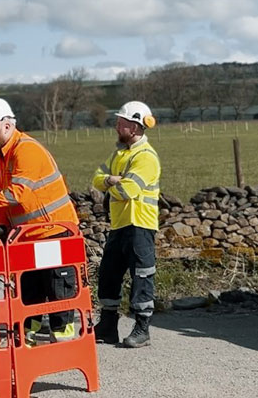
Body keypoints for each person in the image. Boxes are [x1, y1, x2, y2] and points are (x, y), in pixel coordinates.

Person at [0, 97, 80, 344]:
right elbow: (2, 198)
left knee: (58, 293)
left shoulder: (26, 149)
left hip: (54, 232)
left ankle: (64, 348)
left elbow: (18, 193)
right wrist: (2, 224)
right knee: (29, 293)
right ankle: (26, 343)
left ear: (7, 125)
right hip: (27, 236)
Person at [91, 100, 161, 349]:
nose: (116, 126)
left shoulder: (146, 157)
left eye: (121, 123)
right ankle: (108, 326)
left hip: (140, 223)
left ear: (135, 126)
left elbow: (128, 190)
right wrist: (111, 179)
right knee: (109, 274)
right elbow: (96, 179)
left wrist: (110, 186)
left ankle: (142, 328)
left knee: (142, 275)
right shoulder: (119, 154)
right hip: (120, 224)